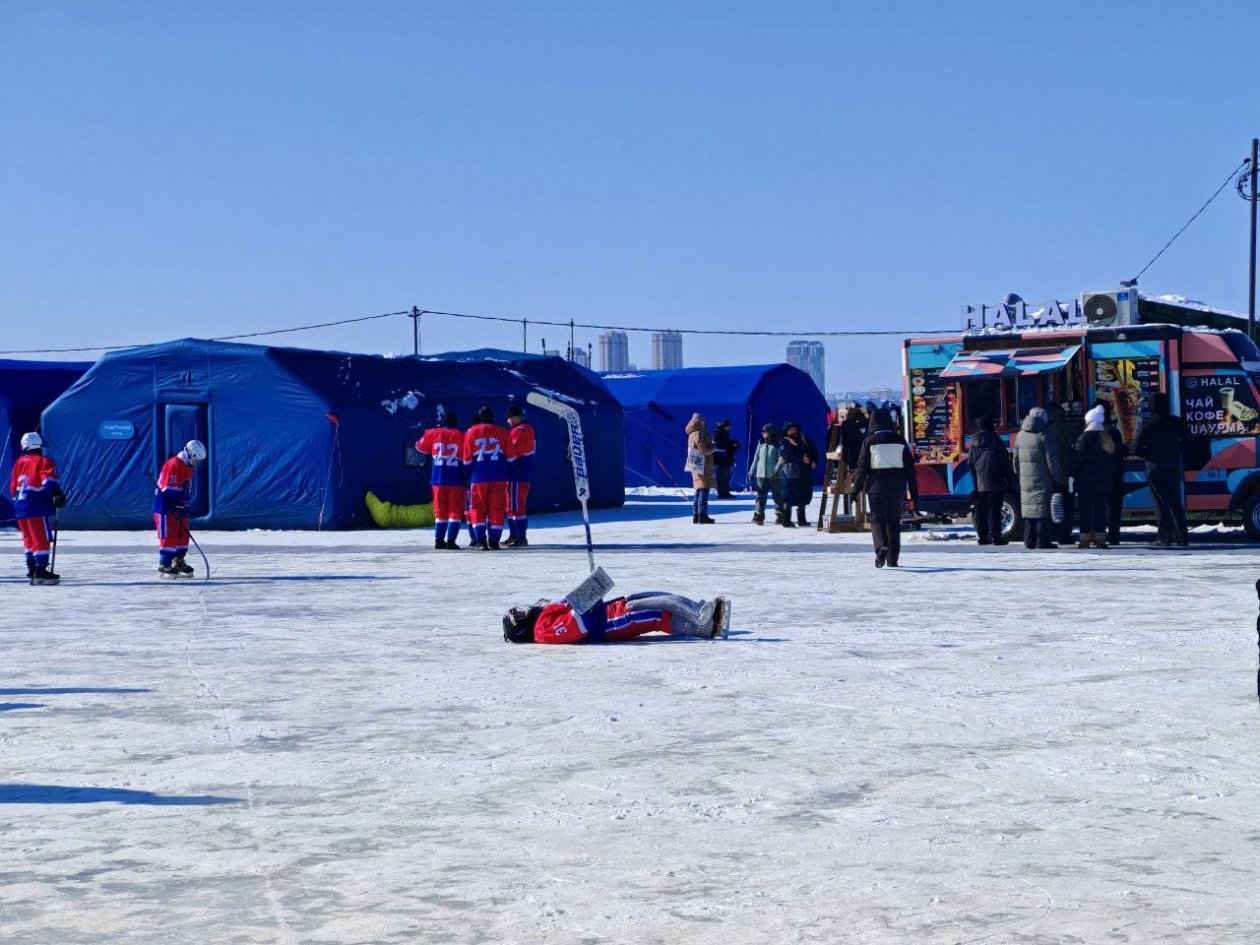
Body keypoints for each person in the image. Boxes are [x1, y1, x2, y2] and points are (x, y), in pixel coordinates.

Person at [503, 592, 728, 644]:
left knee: (655, 596)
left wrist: (591, 587)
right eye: (520, 614)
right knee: (658, 613)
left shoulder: (543, 618)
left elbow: (572, 604)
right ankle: (701, 625)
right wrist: (589, 595)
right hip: (611, 622)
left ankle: (698, 611)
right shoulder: (542, 630)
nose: (525, 609)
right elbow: (577, 625)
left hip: (612, 609)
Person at [852, 407, 918, 568]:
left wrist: (855, 490)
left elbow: (862, 468)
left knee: (877, 519)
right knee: (894, 522)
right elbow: (909, 468)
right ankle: (892, 559)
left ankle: (881, 546)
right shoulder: (900, 440)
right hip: (897, 487)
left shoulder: (869, 442)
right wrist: (914, 491)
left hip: (876, 487)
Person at [1134, 392, 1191, 547]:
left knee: (1160, 502)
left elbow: (1137, 449)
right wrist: (1176, 449)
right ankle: (1182, 536)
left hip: (1154, 467)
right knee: (1175, 501)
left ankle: (1164, 537)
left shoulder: (1147, 424)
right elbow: (1188, 441)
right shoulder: (1177, 422)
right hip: (1173, 465)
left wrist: (1148, 454)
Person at [9, 432, 66, 585]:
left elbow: (12, 487)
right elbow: (48, 480)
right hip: (37, 507)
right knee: (41, 538)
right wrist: (57, 494)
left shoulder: (19, 463)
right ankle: (41, 571)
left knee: (29, 539)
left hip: (21, 508)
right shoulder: (43, 461)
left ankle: (32, 568)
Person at [462, 406, 516, 550]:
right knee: (497, 509)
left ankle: (481, 541)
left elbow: (467, 460)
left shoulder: (471, 432)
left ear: (480, 417)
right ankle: (494, 541)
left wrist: (466, 476)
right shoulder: (503, 432)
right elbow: (511, 458)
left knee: (477, 509)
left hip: (478, 478)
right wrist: (509, 473)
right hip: (499, 477)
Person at [153, 439, 207, 576]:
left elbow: (185, 489)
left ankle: (178, 561)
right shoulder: (174, 464)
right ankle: (164, 564)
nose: (196, 463)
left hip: (179, 508)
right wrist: (174, 506)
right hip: (166, 507)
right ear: (190, 454)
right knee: (169, 535)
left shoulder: (188, 467)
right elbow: (168, 488)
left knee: (183, 534)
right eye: (196, 459)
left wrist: (183, 507)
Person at [1013, 407, 1063, 550]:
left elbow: (1015, 460)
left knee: (1029, 512)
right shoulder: (1043, 435)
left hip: (1025, 480)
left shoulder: (1020, 435)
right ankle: (1043, 541)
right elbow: (1052, 462)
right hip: (1043, 480)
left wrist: (1020, 474)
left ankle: (1029, 541)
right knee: (1042, 512)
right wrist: (1057, 478)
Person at [1071, 404, 1121, 549]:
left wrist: (1072, 475)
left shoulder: (1084, 437)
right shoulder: (1107, 437)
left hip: (1085, 481)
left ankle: (1085, 539)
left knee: (1086, 510)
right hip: (1103, 481)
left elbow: (1077, 459)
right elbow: (1114, 459)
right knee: (1100, 509)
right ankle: (1100, 539)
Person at [415, 412, 466, 550]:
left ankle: (439, 540)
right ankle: (451, 541)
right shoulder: (462, 435)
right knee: (455, 512)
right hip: (456, 479)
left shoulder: (433, 433)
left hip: (438, 479)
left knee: (440, 511)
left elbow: (418, 446)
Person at [967, 415, 1011, 545]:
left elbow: (970, 463)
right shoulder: (996, 440)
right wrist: (1009, 478)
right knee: (995, 510)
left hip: (980, 483)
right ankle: (996, 537)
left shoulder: (974, 442)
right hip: (996, 481)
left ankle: (982, 537)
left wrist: (976, 483)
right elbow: (1004, 461)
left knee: (981, 510)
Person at [1044, 403, 1081, 545]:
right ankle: (1064, 535)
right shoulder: (1061, 427)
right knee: (1067, 506)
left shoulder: (1043, 429)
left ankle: (1052, 532)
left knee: (1053, 506)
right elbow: (1078, 438)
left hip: (1048, 475)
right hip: (1064, 475)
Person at [504, 404, 535, 547]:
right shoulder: (523, 429)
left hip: (518, 474)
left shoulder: (521, 430)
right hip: (515, 475)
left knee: (516, 507)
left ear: (516, 418)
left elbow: (513, 451)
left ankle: (520, 537)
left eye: (509, 418)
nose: (507, 421)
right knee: (511, 506)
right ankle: (513, 536)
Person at [1099, 402, 1128, 545]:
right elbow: (1118, 453)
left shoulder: (1091, 433)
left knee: (1098, 507)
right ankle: (1113, 535)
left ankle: (1098, 535)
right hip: (1114, 474)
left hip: (1098, 475)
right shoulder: (1114, 432)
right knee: (1114, 508)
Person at [780, 420, 818, 527]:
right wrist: (801, 458)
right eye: (790, 429)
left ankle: (802, 519)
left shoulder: (805, 439)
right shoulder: (785, 442)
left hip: (805, 472)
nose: (792, 431)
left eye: (794, 428)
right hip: (791, 472)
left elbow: (814, 450)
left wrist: (814, 460)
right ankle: (786, 520)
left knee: (803, 494)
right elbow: (786, 455)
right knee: (789, 495)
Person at [746, 422, 782, 526]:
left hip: (774, 475)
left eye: (764, 431)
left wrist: (777, 470)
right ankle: (758, 516)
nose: (762, 433)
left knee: (777, 495)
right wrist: (752, 471)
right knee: (760, 496)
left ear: (770, 432)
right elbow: (756, 459)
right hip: (761, 475)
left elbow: (781, 459)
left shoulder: (777, 445)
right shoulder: (761, 444)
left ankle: (781, 515)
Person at [684, 413, 717, 524]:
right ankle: (703, 515)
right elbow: (704, 450)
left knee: (698, 490)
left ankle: (696, 515)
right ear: (698, 422)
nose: (704, 423)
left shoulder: (691, 434)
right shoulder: (699, 434)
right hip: (702, 464)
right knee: (704, 489)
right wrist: (713, 447)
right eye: (703, 421)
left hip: (694, 463)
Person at [712, 419, 739, 499]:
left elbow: (726, 442)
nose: (729, 428)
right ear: (724, 426)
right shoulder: (717, 432)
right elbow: (720, 444)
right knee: (722, 477)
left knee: (726, 476)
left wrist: (734, 444)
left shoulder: (724, 432)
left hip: (726, 458)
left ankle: (726, 492)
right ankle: (722, 493)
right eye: (728, 426)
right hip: (721, 459)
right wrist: (732, 445)